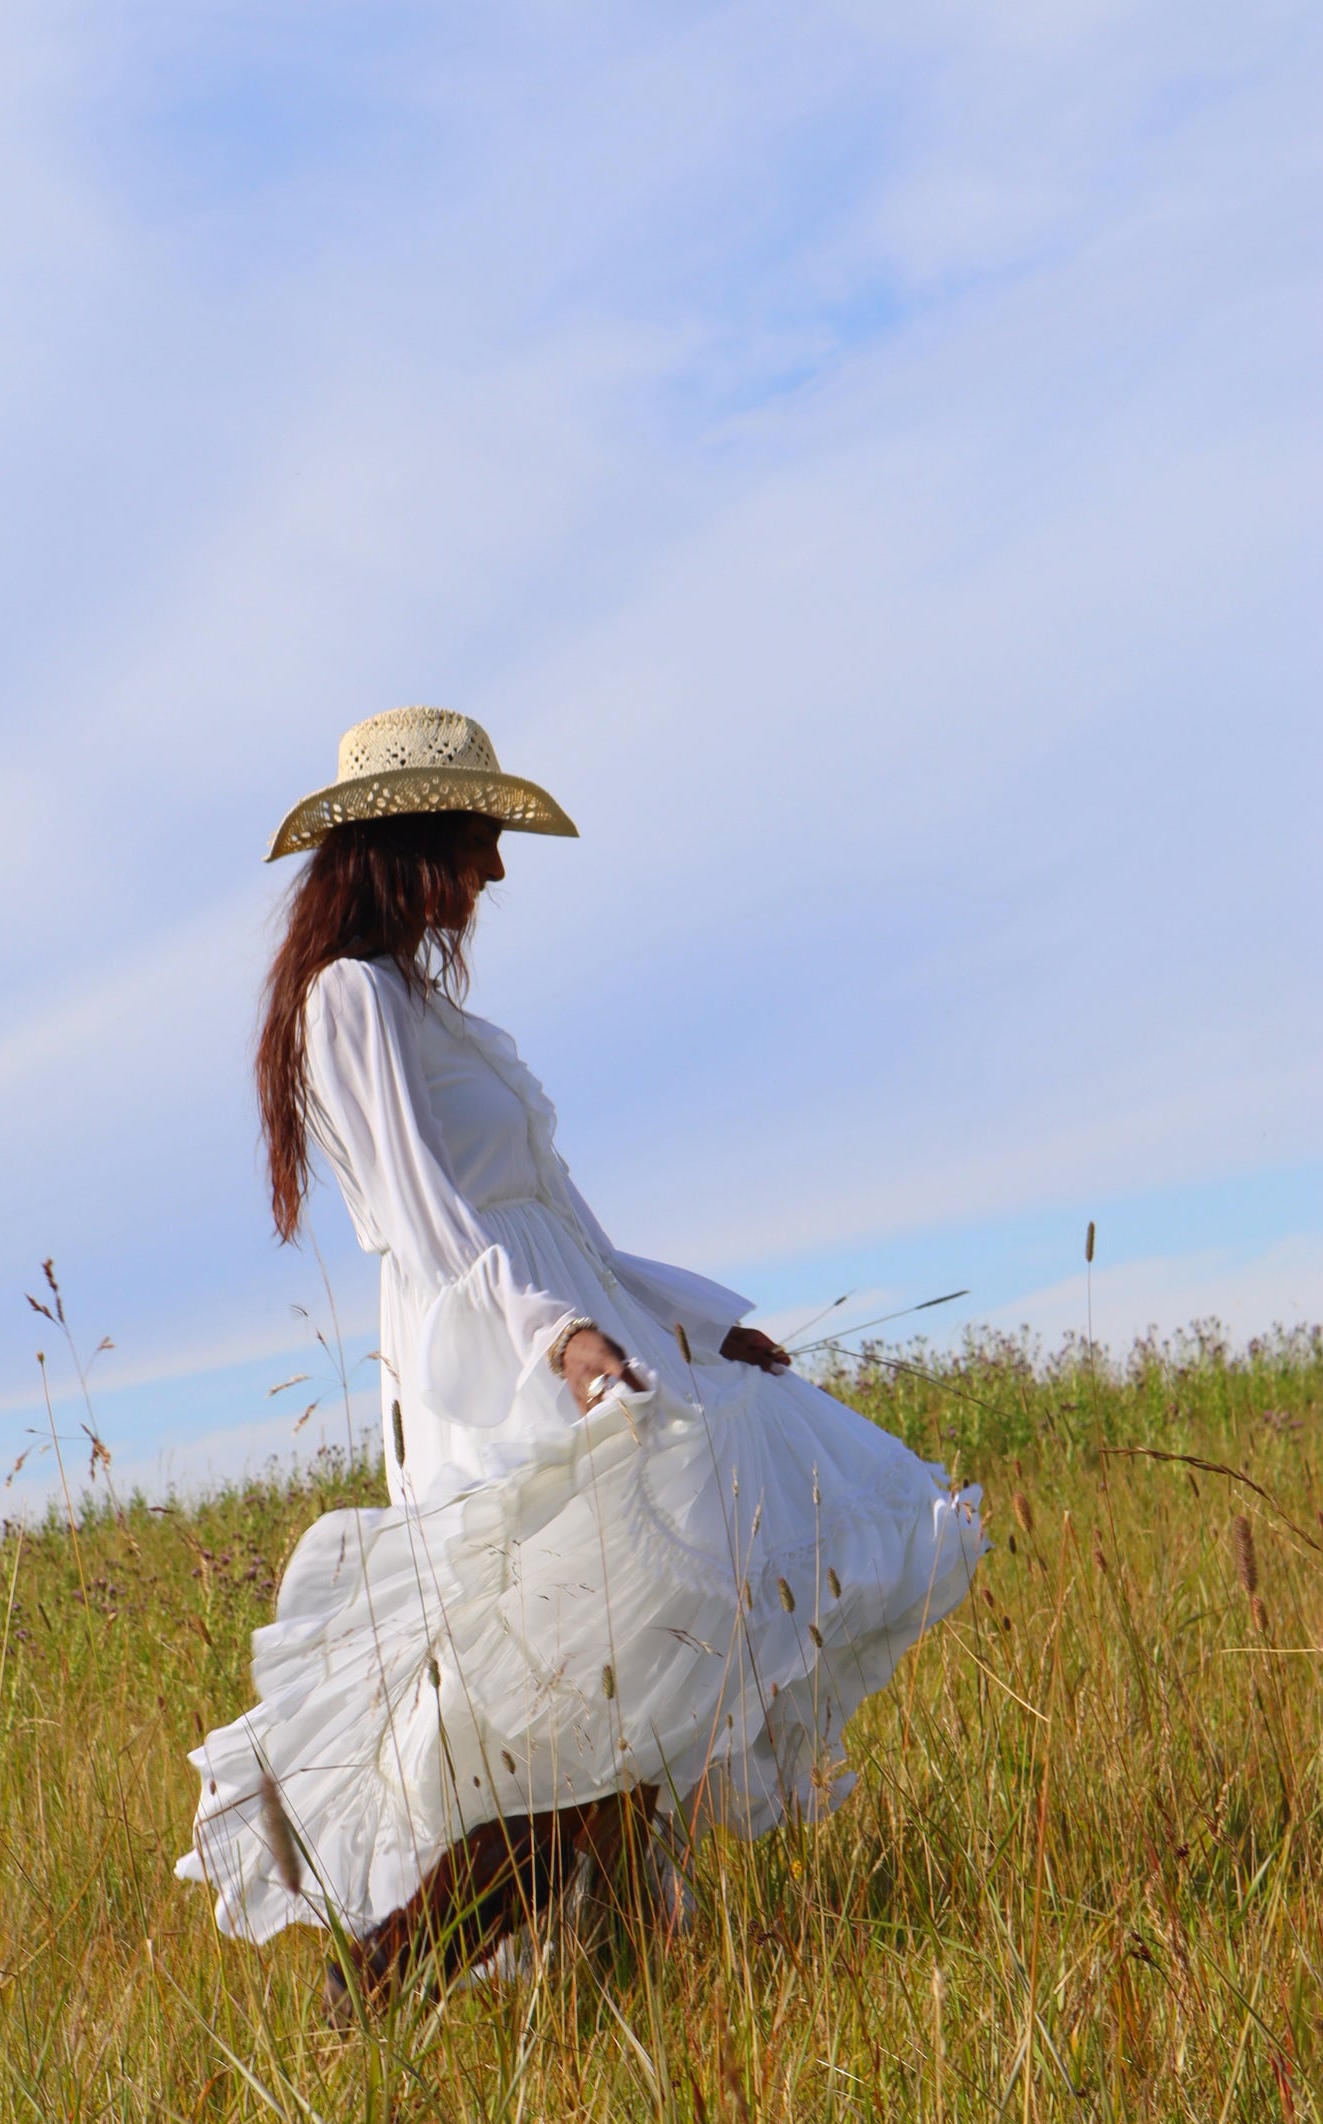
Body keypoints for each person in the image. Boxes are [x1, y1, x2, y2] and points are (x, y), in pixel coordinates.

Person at [177, 706, 983, 1997]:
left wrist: (695, 1322)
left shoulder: (437, 1015)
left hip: (584, 1348)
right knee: (575, 1713)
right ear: (418, 837)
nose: (497, 871)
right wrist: (558, 1342)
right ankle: (384, 1977)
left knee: (640, 1699)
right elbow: (426, 1221)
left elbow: (566, 1225)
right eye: (484, 836)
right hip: (495, 1375)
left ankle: (621, 1983)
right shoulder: (349, 1000)